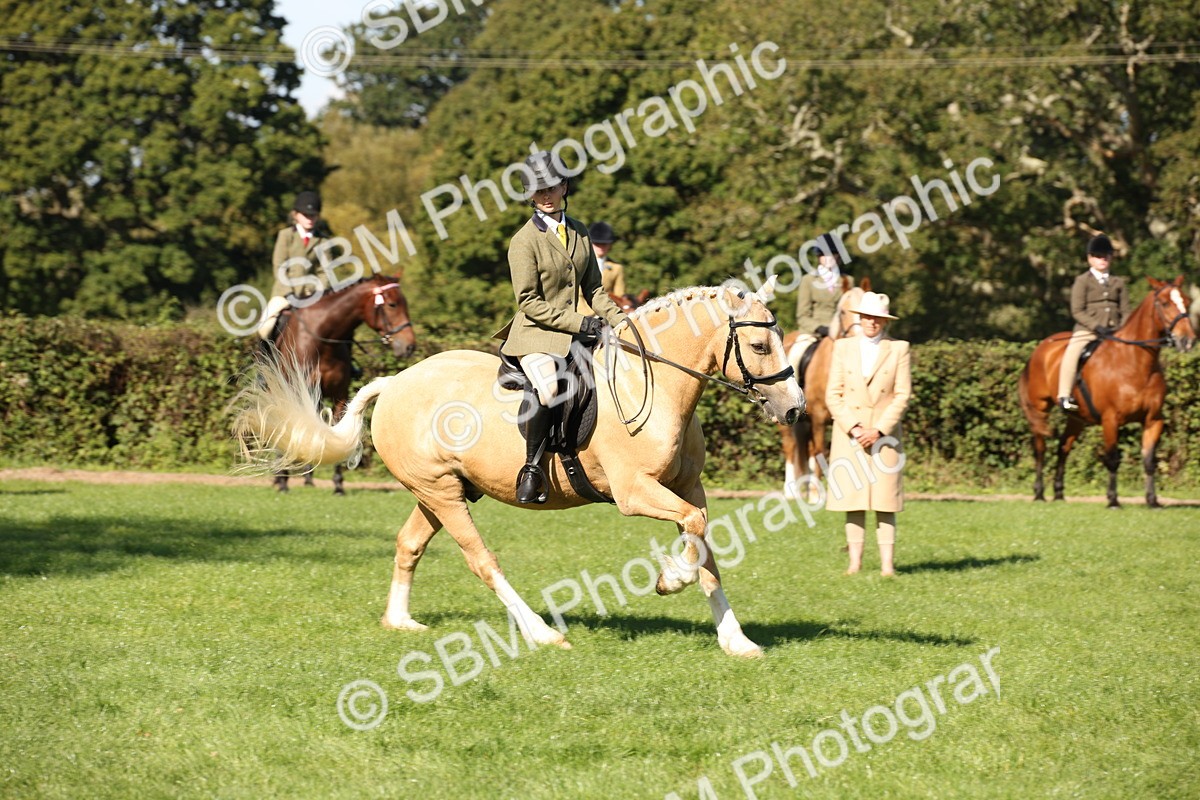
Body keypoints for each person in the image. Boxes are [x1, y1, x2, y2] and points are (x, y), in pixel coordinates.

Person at [494, 151, 629, 504]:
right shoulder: (523, 241)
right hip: (536, 334)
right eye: (539, 191)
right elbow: (528, 302)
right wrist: (580, 322)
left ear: (564, 186)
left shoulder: (581, 232)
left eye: (552, 187)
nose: (546, 196)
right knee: (551, 388)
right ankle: (532, 468)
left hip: (576, 333)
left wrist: (624, 323)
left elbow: (596, 290)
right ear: (530, 196)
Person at [824, 292, 911, 577]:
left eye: (876, 318)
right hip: (850, 435)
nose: (871, 322)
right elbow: (833, 395)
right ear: (859, 319)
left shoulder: (899, 349)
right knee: (854, 500)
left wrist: (879, 429)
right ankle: (855, 563)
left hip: (885, 435)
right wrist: (855, 428)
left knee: (885, 501)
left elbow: (902, 394)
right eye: (866, 317)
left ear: (884, 322)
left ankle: (888, 565)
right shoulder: (842, 347)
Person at [1057, 234, 1128, 411]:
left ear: (1111, 257)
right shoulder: (1082, 281)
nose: (1102, 259)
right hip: (1088, 330)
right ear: (1090, 258)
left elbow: (1126, 310)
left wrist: (1121, 329)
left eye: (1106, 256)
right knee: (1072, 353)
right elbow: (1077, 311)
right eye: (1098, 256)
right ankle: (1064, 394)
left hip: (1115, 331)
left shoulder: (1118, 282)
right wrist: (1097, 327)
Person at [256, 191, 331, 341]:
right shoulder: (285, 236)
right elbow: (279, 266)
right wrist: (289, 292)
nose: (310, 219)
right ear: (295, 215)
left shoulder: (322, 240)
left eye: (313, 215)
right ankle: (264, 359)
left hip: (311, 294)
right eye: (306, 215)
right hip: (285, 294)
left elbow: (325, 271)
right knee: (264, 327)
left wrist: (319, 292)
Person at [790, 232, 850, 371]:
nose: (828, 258)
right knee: (795, 356)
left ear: (838, 256)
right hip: (813, 334)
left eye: (832, 254)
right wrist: (820, 328)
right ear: (818, 257)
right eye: (824, 254)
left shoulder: (847, 280)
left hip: (841, 334)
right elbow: (802, 315)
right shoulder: (808, 280)